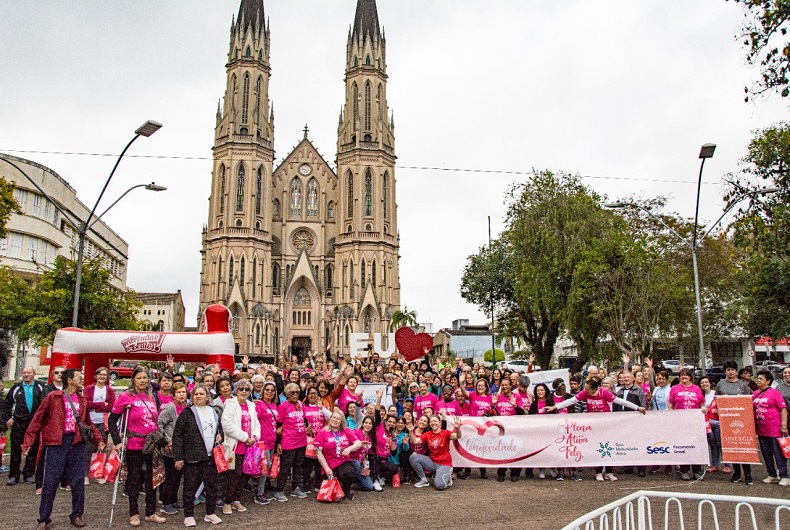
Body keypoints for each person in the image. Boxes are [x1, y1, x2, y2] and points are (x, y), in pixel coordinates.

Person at [22, 368, 103, 529]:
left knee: (78, 481)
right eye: (79, 377)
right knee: (50, 481)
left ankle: (76, 515)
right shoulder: (53, 397)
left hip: (77, 442)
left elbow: (87, 422)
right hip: (56, 443)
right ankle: (43, 518)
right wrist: (28, 441)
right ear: (69, 380)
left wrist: (98, 438)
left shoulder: (82, 399)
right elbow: (38, 419)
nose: (82, 380)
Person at [548, 378, 645, 482]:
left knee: (609, 446)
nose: (585, 391)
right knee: (598, 447)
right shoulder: (585, 393)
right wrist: (555, 407)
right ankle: (598, 472)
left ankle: (609, 472)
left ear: (595, 389)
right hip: (595, 425)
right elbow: (572, 400)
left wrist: (637, 408)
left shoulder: (604, 393)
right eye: (585, 389)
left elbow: (620, 401)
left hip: (607, 424)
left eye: (588, 389)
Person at [108, 366, 166, 526]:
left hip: (151, 445)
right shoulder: (126, 396)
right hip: (134, 445)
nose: (142, 381)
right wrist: (117, 441)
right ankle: (133, 513)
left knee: (151, 479)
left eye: (144, 378)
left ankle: (150, 512)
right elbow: (112, 420)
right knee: (134, 479)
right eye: (139, 378)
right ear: (133, 379)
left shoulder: (152, 397)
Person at [172, 385, 223, 527]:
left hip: (210, 457)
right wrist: (178, 457)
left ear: (207, 397)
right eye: (196, 394)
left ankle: (210, 513)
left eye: (201, 394)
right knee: (190, 487)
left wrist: (221, 436)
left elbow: (220, 429)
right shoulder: (187, 413)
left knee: (211, 486)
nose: (198, 396)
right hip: (192, 457)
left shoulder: (214, 411)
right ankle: (188, 515)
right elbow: (177, 435)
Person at [219, 377, 260, 515]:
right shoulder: (231, 404)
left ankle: (236, 499)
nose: (244, 391)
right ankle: (227, 501)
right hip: (235, 446)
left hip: (249, 446)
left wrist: (254, 437)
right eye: (241, 389)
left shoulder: (251, 405)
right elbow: (227, 424)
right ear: (236, 390)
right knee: (233, 475)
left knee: (243, 474)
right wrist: (244, 437)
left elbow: (256, 424)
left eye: (247, 389)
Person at [0, 366, 45, 485]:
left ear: (34, 374)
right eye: (24, 373)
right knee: (15, 450)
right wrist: (8, 418)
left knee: (32, 449)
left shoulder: (40, 387)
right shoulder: (16, 388)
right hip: (18, 423)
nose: (26, 375)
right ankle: (13, 475)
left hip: (34, 423)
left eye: (29, 372)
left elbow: (45, 404)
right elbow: (7, 404)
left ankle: (29, 474)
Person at [667, 368, 707, 481]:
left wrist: (704, 408)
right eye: (681, 375)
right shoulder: (674, 388)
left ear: (690, 377)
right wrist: (672, 416)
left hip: (694, 422)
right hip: (680, 422)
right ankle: (684, 470)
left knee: (695, 445)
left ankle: (696, 470)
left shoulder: (697, 389)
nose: (684, 377)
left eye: (686, 375)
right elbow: (670, 405)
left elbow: (702, 404)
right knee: (683, 445)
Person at [314, 411, 363, 500]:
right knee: (331, 489)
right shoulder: (323, 432)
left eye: (338, 419)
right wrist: (326, 468)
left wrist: (349, 449)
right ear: (330, 419)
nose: (335, 420)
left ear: (341, 421)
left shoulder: (346, 430)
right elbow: (318, 452)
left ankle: (346, 490)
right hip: (329, 464)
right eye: (334, 417)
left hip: (343, 461)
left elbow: (358, 443)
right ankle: (337, 486)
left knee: (349, 473)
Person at [752, 369, 789, 486]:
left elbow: (783, 409)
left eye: (761, 379)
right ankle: (771, 474)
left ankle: (784, 475)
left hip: (775, 429)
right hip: (761, 429)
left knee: (778, 453)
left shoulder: (775, 393)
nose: (758, 381)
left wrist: (783, 425)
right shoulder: (755, 393)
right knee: (766, 453)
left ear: (768, 381)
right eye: (757, 378)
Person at [407, 415, 462, 490]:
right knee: (413, 457)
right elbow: (415, 441)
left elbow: (458, 436)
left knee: (439, 486)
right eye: (431, 422)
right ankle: (424, 479)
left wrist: (458, 428)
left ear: (440, 423)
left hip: (444, 463)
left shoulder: (445, 433)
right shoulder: (427, 434)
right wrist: (410, 432)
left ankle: (447, 474)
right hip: (432, 462)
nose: (433, 423)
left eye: (435, 421)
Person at [158, 381, 188, 514]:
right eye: (178, 392)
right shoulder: (170, 407)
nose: (181, 395)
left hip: (182, 448)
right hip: (170, 448)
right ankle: (166, 503)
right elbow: (159, 423)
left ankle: (174, 500)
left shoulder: (187, 407)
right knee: (169, 477)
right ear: (173, 395)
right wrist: (167, 440)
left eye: (183, 392)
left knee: (177, 477)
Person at [274, 383, 308, 501]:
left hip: (301, 441)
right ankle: (279, 490)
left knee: (298, 466)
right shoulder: (283, 406)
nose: (295, 395)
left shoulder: (300, 404)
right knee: (286, 466)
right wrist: (278, 443)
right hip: (288, 441)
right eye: (292, 392)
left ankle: (295, 488)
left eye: (297, 392)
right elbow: (278, 425)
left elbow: (304, 419)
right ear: (287, 394)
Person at [83, 366, 115, 484]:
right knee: (88, 447)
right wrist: (102, 404)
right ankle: (85, 474)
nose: (102, 377)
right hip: (90, 421)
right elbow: (86, 404)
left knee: (101, 447)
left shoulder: (110, 390)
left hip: (103, 421)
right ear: (96, 376)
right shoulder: (88, 389)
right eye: (100, 374)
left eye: (104, 375)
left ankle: (98, 473)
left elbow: (111, 406)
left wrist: (95, 406)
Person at [254, 381, 279, 505]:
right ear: (263, 391)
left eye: (272, 390)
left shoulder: (274, 405)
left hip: (272, 440)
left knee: (267, 467)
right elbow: (254, 420)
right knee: (265, 466)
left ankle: (262, 489)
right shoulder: (259, 404)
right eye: (267, 390)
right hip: (262, 441)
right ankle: (259, 493)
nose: (269, 392)